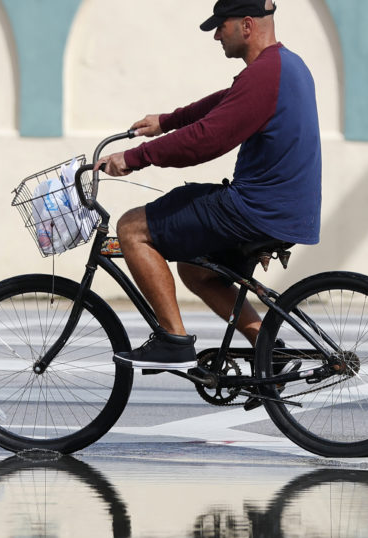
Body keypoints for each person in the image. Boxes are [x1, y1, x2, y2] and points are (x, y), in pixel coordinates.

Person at [96, 0, 321, 371]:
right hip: (284, 210)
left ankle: (173, 339)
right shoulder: (285, 65)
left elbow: (207, 139)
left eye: (222, 25)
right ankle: (268, 348)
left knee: (132, 228)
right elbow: (225, 102)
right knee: (195, 269)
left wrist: (133, 158)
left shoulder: (265, 74)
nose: (217, 34)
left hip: (255, 209)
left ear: (246, 26)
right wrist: (166, 121)